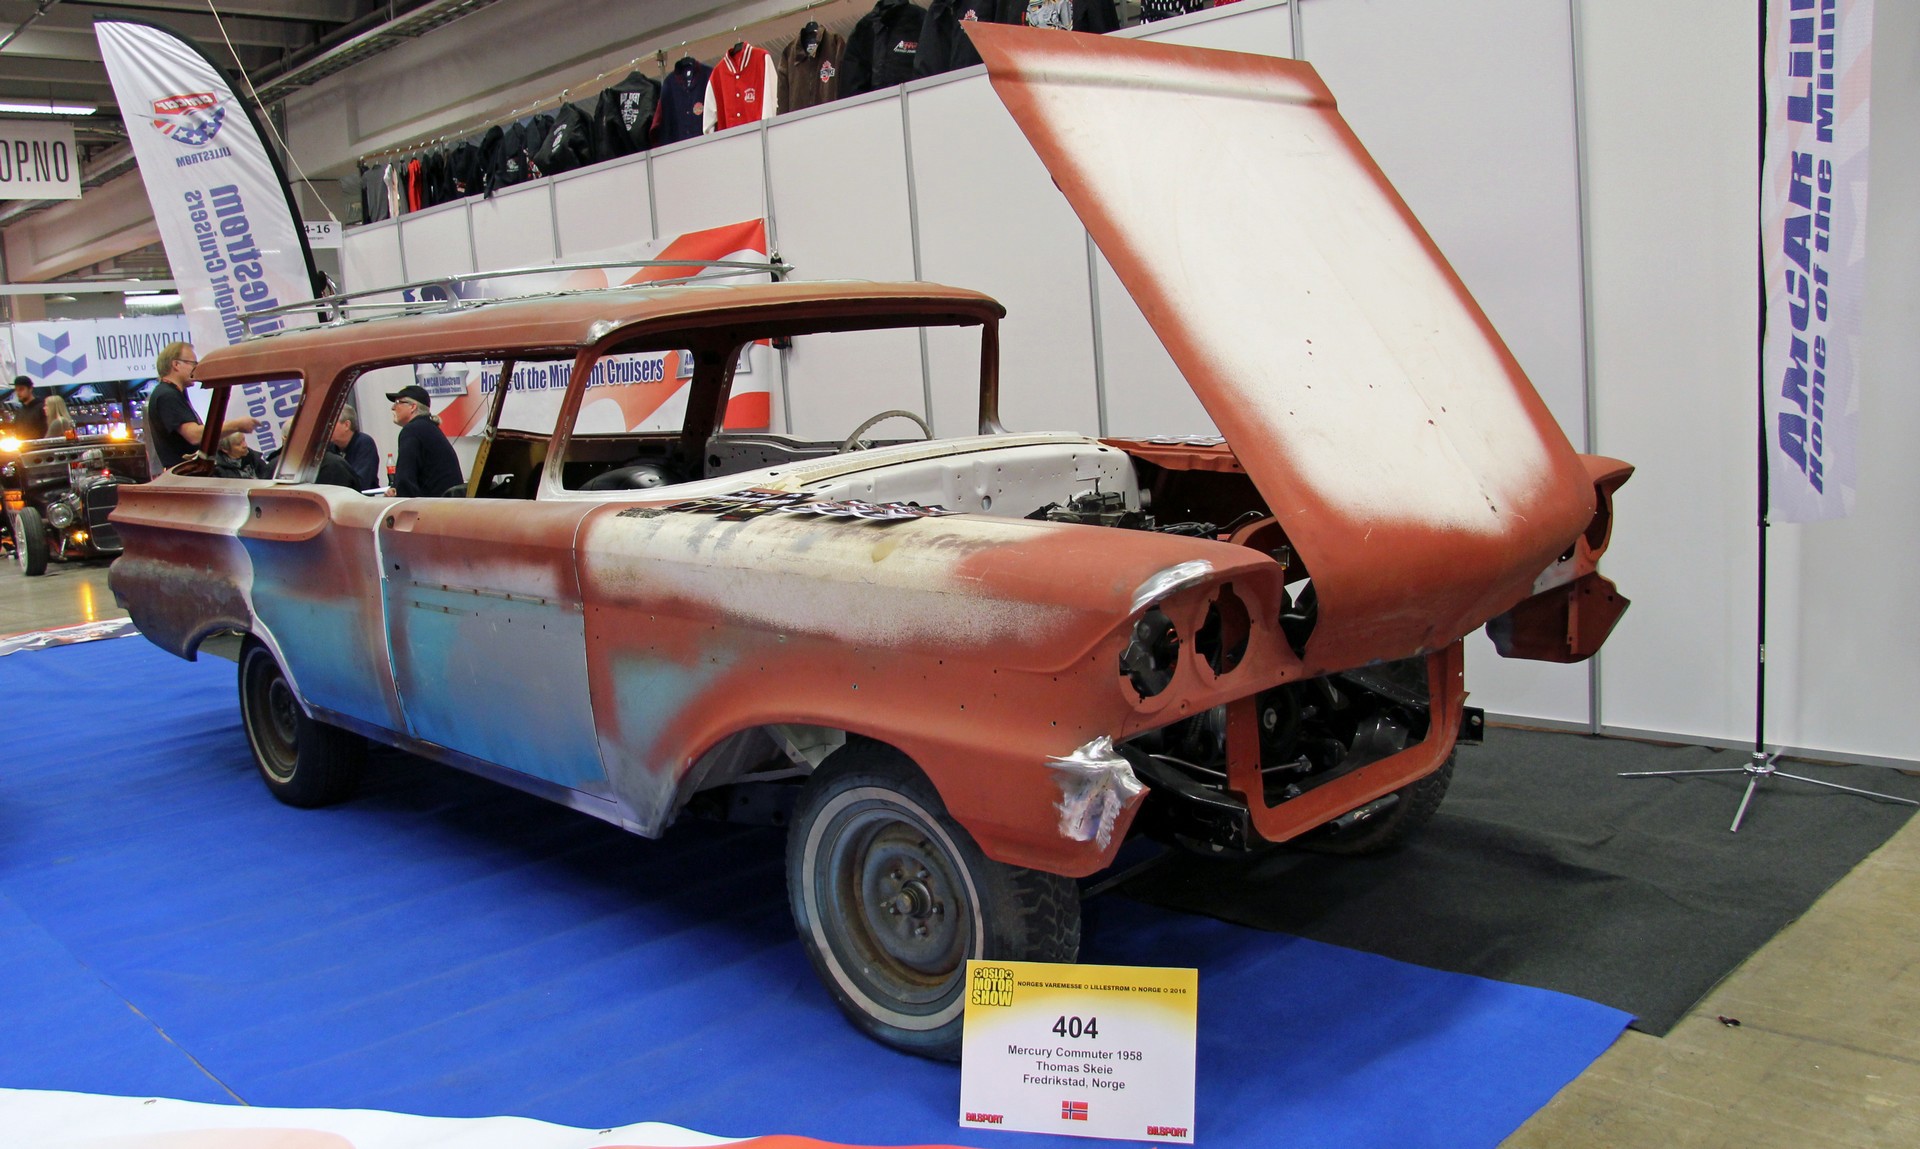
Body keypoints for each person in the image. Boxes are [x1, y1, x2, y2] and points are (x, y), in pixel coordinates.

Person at [145, 342, 258, 472]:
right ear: (176, 365)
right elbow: (194, 435)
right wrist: (237, 425)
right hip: (186, 474)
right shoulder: (167, 395)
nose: (196, 368)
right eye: (193, 364)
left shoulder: (171, 393)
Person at [386, 384, 463, 497]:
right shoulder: (428, 427)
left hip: (434, 504)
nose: (393, 407)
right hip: (449, 501)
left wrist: (398, 498)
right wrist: (395, 488)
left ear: (413, 407)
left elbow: (405, 479)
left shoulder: (412, 430)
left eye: (398, 402)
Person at [331, 405, 380, 489]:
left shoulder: (364, 443)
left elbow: (361, 482)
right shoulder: (329, 447)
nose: (327, 427)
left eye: (332, 423)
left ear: (346, 425)